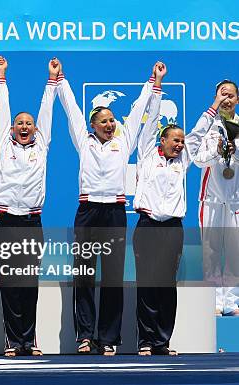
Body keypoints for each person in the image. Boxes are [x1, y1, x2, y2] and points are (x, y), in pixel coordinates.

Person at [57, 62, 160, 355]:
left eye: (112, 120)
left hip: (114, 213)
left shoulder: (124, 142)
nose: (110, 124)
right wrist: (60, 79)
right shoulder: (83, 141)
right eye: (104, 120)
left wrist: (153, 81)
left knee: (113, 277)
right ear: (93, 125)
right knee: (85, 275)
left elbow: (140, 109)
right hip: (88, 212)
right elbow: (72, 109)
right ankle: (86, 336)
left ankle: (108, 338)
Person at [133, 62, 219, 355]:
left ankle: (162, 341)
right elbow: (150, 120)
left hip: (172, 229)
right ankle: (145, 340)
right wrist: (157, 84)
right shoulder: (147, 154)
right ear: (163, 140)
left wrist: (215, 105)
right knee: (146, 286)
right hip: (147, 227)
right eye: (176, 140)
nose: (181, 144)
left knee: (167, 287)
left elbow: (198, 132)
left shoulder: (183, 161)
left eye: (182, 141)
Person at [0, 56, 59, 357]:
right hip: (6, 221)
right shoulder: (3, 144)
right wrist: (1, 76)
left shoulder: (41, 145)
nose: (24, 126)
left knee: (29, 284)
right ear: (11, 129)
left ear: (35, 129)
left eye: (28, 124)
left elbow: (47, 111)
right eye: (19, 123)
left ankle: (29, 340)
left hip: (32, 222)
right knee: (9, 285)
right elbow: (1, 111)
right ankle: (12, 339)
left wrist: (52, 80)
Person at [193, 80, 239, 317]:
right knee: (211, 251)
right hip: (209, 198)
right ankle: (214, 301)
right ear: (216, 97)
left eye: (231, 95)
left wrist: (235, 151)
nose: (227, 99)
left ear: (237, 99)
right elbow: (197, 159)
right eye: (222, 95)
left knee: (234, 251)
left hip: (236, 201)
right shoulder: (208, 127)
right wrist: (216, 151)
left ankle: (230, 302)